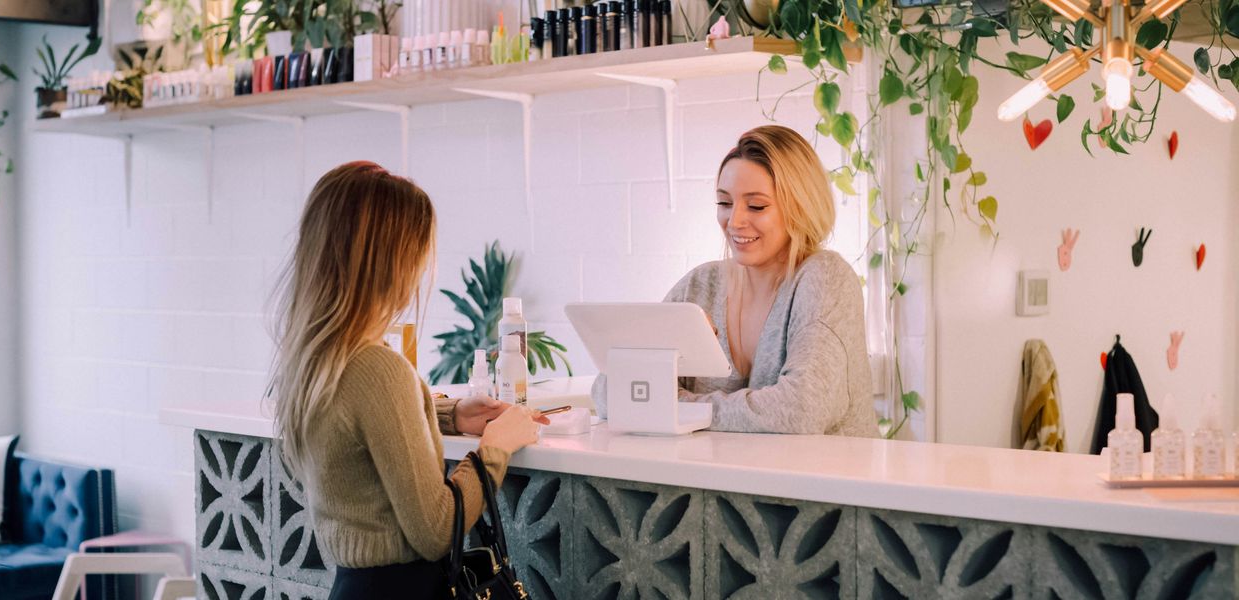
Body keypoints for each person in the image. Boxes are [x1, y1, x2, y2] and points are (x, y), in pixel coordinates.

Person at [268, 161, 547, 599]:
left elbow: (359, 425)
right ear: (391, 262)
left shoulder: (313, 360)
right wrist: (495, 448)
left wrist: (447, 415)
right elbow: (436, 530)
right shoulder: (378, 369)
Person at [594, 125, 878, 437]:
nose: (735, 221)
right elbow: (609, 396)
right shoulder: (702, 285)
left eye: (756, 205)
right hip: (725, 481)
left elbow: (801, 410)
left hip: (820, 482)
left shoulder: (824, 278)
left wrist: (680, 409)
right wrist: (665, 347)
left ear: (801, 206)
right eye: (725, 203)